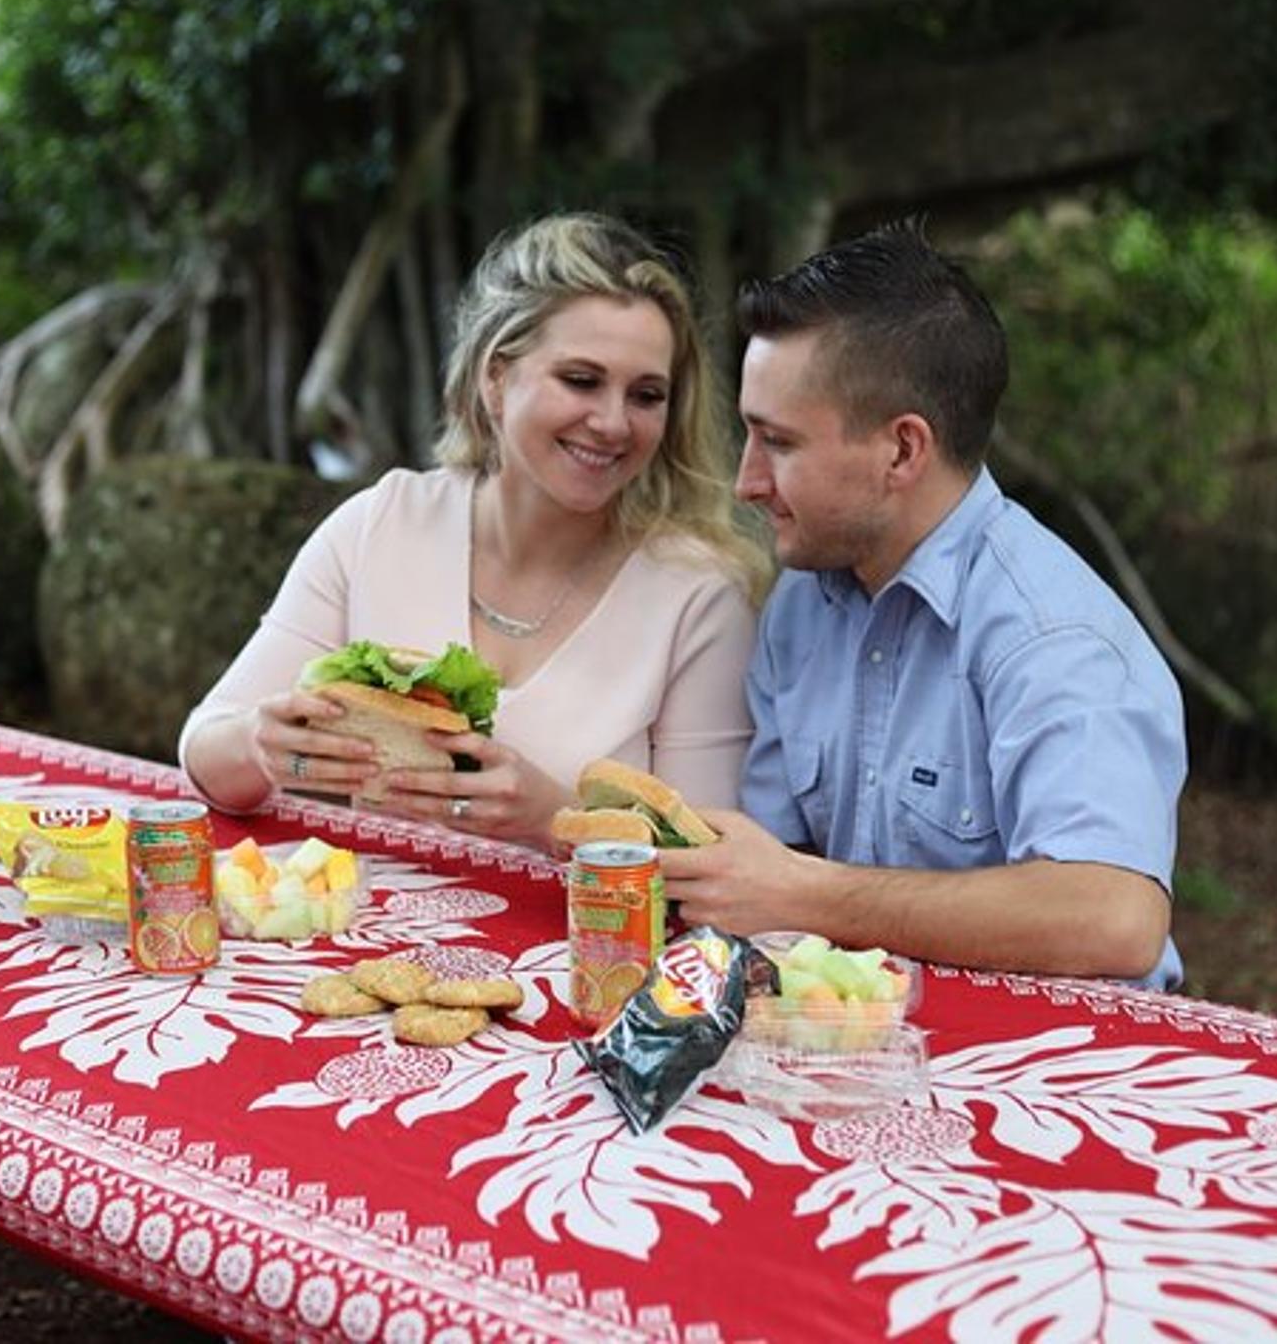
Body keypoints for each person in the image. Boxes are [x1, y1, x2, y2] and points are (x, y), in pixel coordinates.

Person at [663, 221, 1185, 988]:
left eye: (778, 442)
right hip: (851, 1041)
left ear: (903, 450)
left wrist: (813, 896)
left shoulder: (1052, 633)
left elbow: (1114, 917)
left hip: (1055, 1065)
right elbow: (773, 866)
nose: (745, 481)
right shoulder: (801, 604)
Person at [179, 212, 771, 846]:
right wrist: (261, 745)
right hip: (377, 935)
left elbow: (708, 864)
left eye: (646, 395)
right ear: (495, 376)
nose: (613, 422)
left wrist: (554, 820)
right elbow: (204, 754)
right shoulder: (380, 525)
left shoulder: (697, 593)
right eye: (580, 380)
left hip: (593, 943)